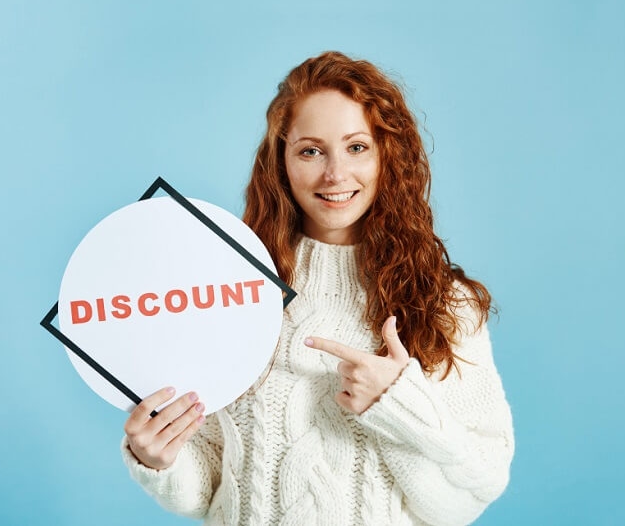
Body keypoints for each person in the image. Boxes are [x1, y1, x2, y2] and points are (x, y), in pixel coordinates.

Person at [122, 51, 514, 525]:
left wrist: (397, 403)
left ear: (388, 155)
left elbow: (467, 498)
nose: (335, 175)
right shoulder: (229, 287)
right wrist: (158, 458)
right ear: (280, 161)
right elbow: (206, 488)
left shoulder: (446, 302)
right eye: (311, 150)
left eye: (357, 147)